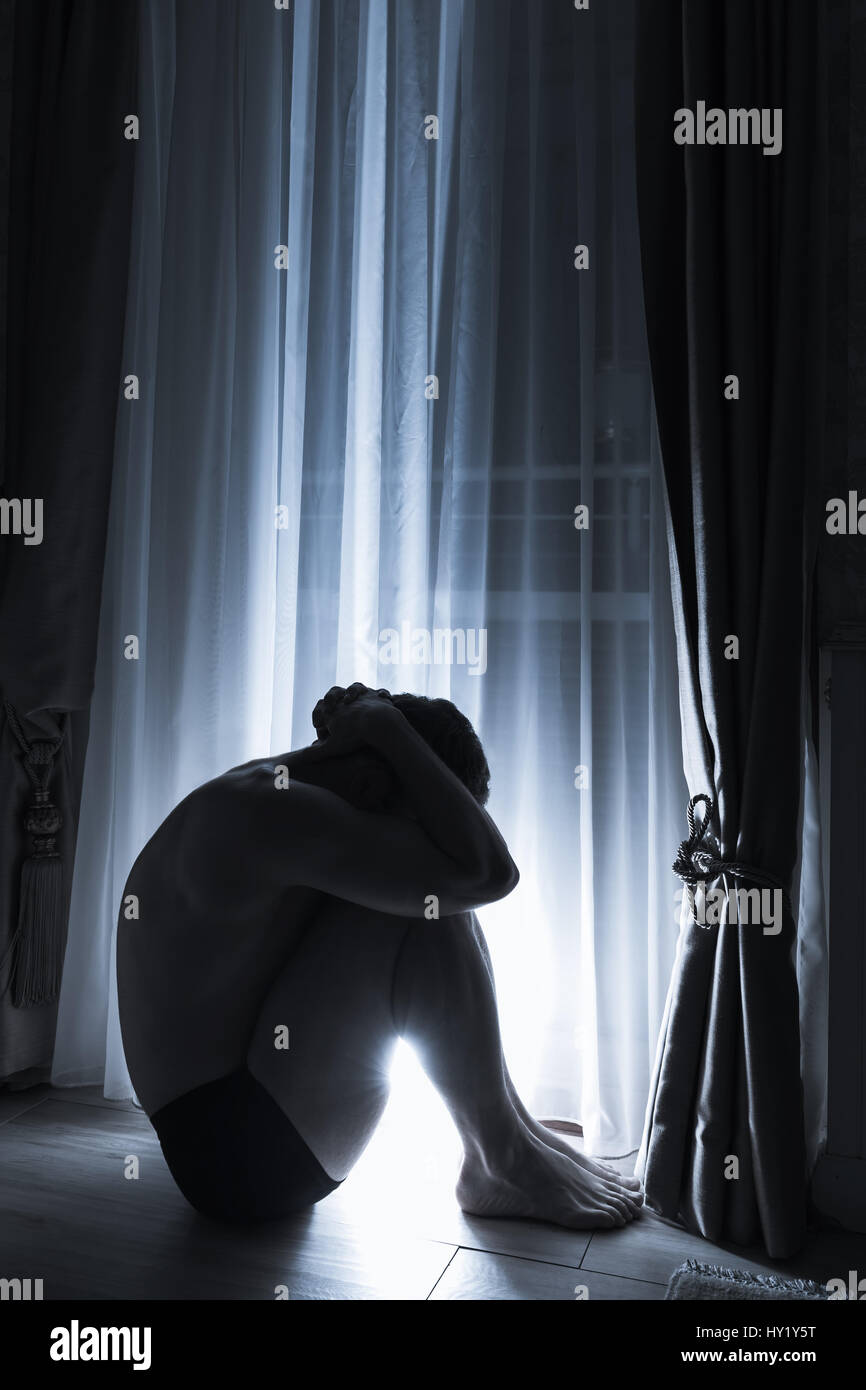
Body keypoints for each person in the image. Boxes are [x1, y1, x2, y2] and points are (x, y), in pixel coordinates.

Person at [116, 682, 643, 1228]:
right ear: (374, 781)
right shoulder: (269, 810)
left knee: (434, 895)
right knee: (428, 900)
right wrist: (387, 728)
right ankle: (499, 1159)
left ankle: (516, 1137)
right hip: (239, 1162)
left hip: (244, 1130)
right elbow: (492, 873)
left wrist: (385, 733)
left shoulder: (275, 790)